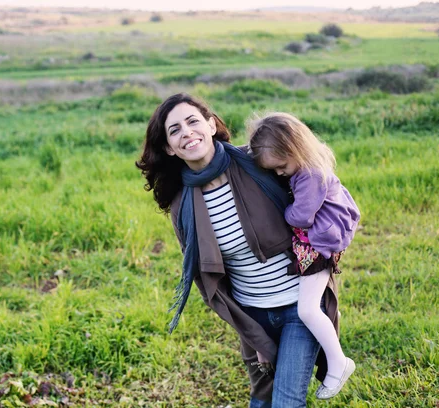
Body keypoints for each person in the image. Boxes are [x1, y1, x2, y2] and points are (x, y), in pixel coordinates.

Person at [136, 93, 340, 407]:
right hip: (253, 315)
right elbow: (211, 281)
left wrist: (332, 243)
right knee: (262, 400)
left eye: (193, 121)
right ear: (168, 147)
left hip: (300, 306)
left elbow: (322, 184)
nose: (187, 132)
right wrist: (252, 335)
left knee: (287, 401)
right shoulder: (183, 206)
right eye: (174, 130)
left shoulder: (260, 163)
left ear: (211, 124)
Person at [248, 112, 360, 399]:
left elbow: (301, 216)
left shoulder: (311, 174)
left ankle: (338, 363)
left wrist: (282, 211)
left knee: (307, 310)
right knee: (307, 308)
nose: (280, 174)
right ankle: (336, 362)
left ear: (295, 149)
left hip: (320, 245)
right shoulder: (305, 168)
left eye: (281, 166)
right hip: (319, 243)